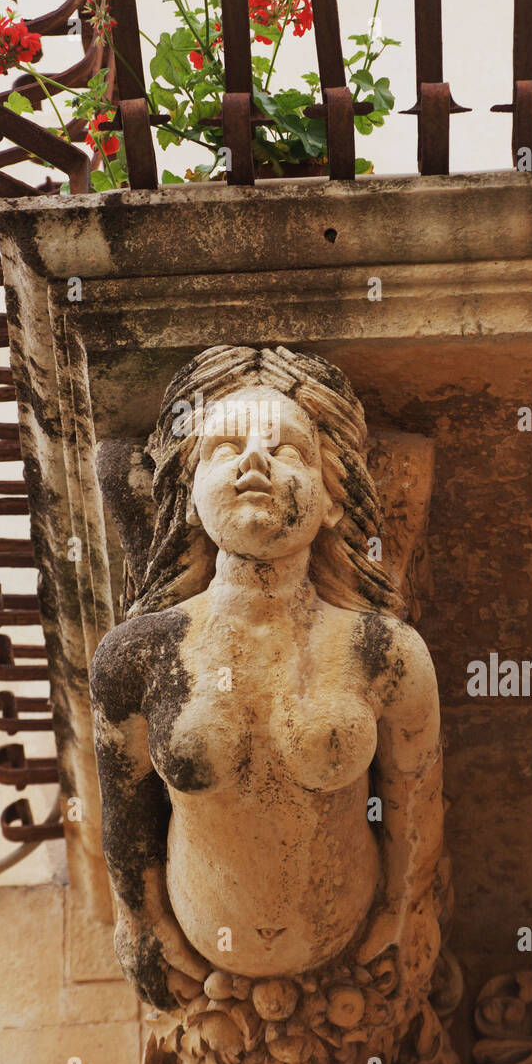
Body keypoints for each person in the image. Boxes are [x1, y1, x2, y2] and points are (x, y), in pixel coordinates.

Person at [90, 345, 442, 1015]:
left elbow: (413, 801)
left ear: (334, 500)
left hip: (353, 941)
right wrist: (139, 922)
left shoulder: (381, 652)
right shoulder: (137, 656)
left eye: (288, 451)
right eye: (226, 447)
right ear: (189, 498)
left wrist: (406, 911)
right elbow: (127, 813)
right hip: (200, 956)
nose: (255, 459)